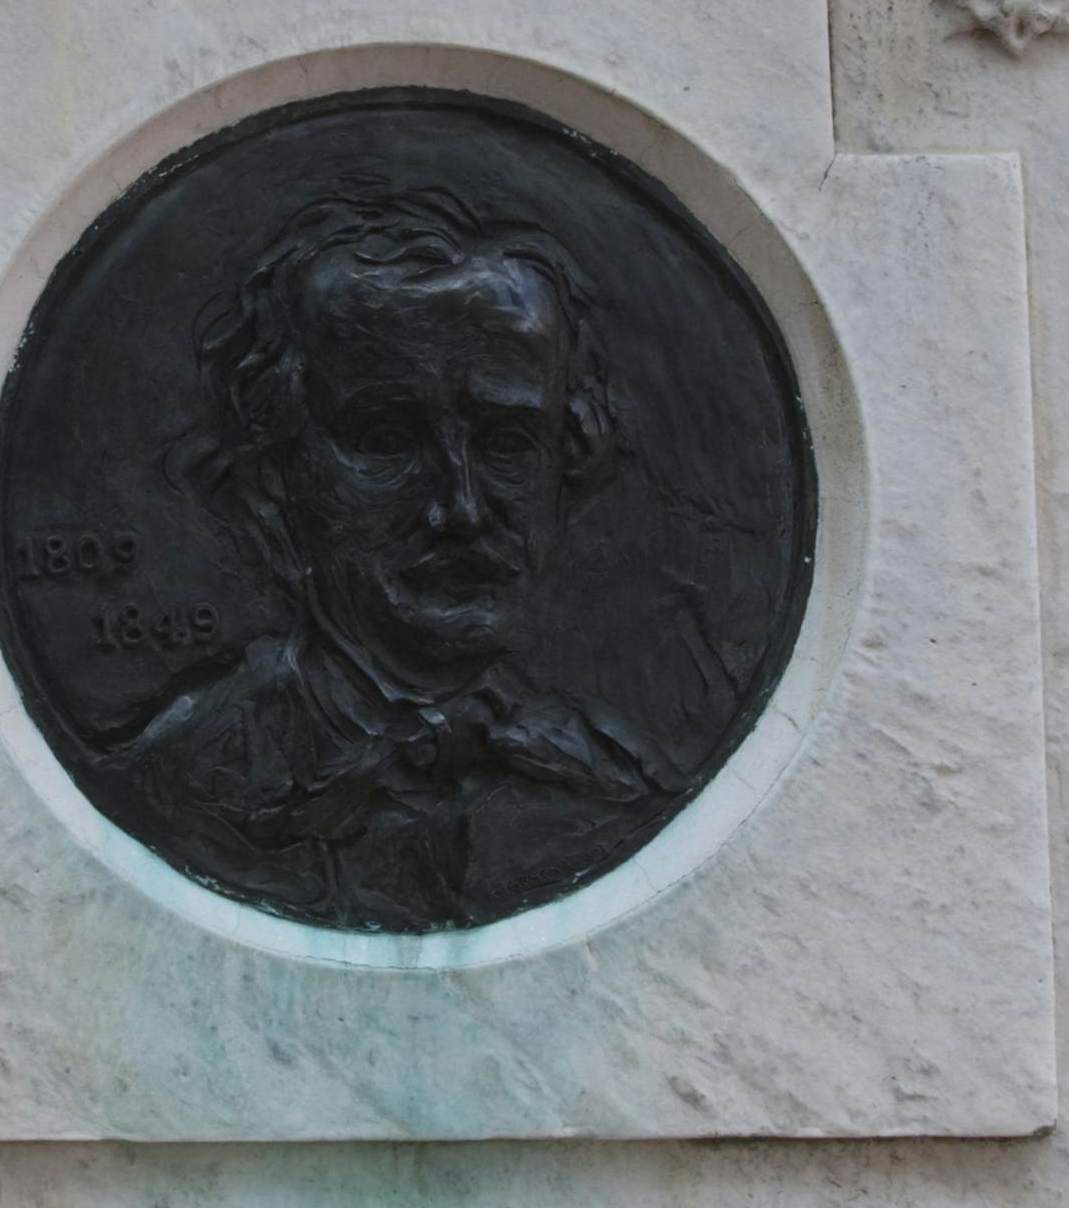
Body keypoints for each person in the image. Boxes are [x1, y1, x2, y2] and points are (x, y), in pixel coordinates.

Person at [113, 181, 660, 929]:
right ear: (273, 476)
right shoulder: (178, 784)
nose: (460, 510)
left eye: (506, 443)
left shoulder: (601, 786)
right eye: (384, 441)